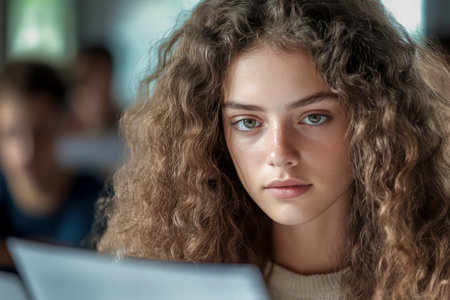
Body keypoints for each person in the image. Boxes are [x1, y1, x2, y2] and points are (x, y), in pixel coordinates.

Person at [96, 0, 449, 299]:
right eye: (248, 122)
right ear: (215, 135)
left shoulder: (437, 283)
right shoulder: (173, 282)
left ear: (373, 120)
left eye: (313, 117)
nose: (279, 153)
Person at [0, 61, 104, 270]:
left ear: (64, 125)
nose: (26, 152)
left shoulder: (101, 203)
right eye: (11, 134)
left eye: (41, 133)